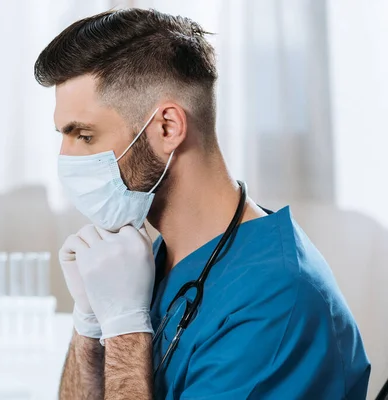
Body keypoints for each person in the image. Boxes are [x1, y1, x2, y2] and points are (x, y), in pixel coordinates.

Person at [34, 8, 370, 400]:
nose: (67, 159)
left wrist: (124, 329)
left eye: (84, 136)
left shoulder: (274, 304)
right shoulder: (159, 258)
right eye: (64, 135)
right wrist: (88, 321)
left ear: (167, 128)